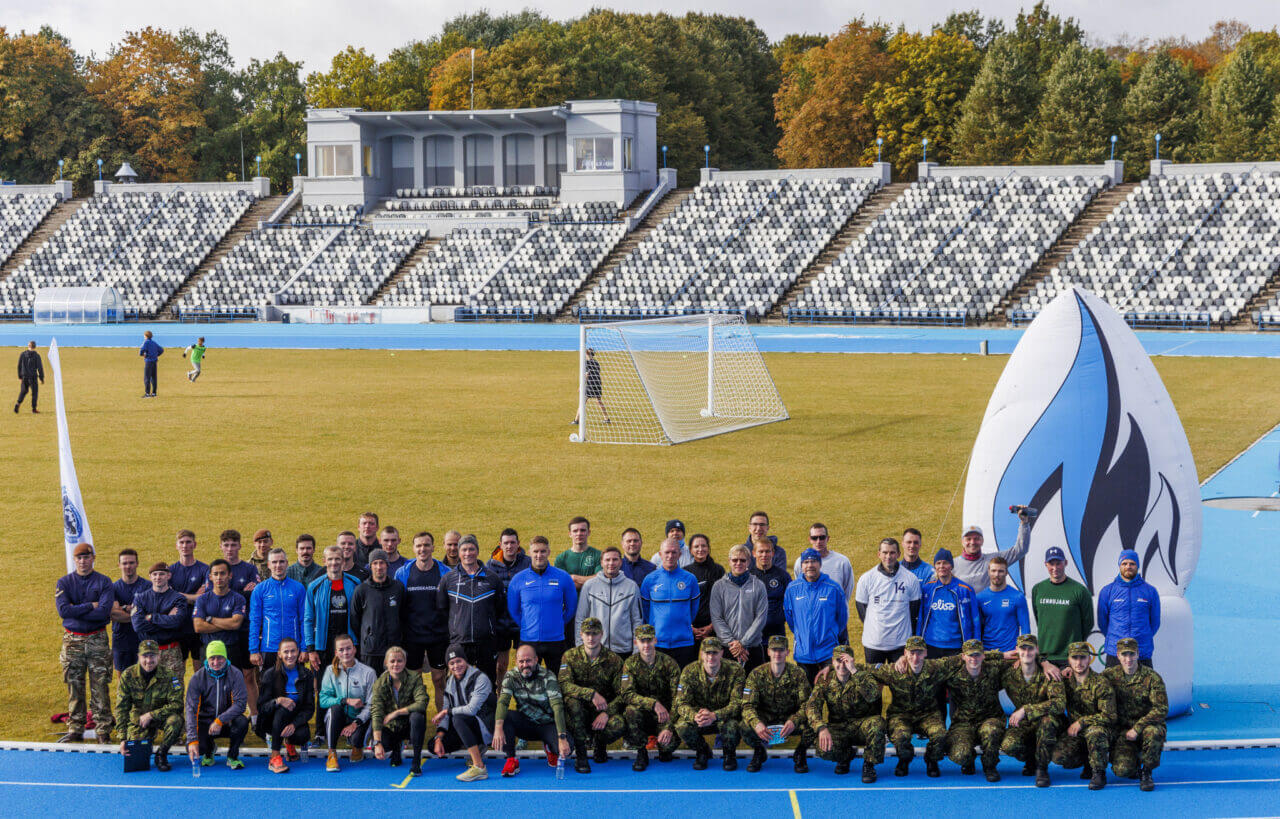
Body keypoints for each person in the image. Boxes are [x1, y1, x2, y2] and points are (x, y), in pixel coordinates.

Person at [55, 542, 115, 743]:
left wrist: (77, 609)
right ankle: (75, 728)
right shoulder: (64, 583)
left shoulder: (104, 582)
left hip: (97, 639)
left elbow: (103, 612)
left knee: (100, 685)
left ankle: (103, 729)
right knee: (74, 684)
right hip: (73, 640)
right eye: (79, 558)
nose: (83, 561)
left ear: (93, 558)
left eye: (86, 557)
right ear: (75, 560)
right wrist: (90, 605)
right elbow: (64, 611)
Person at [870, 636, 949, 777]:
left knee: (940, 734)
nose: (915, 657)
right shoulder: (894, 670)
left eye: (919, 653)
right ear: (905, 653)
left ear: (925, 652)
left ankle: (931, 760)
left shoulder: (935, 668)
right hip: (901, 715)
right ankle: (904, 759)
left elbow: (966, 657)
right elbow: (866, 669)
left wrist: (1001, 655)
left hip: (928, 714)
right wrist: (834, 668)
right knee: (901, 737)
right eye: (912, 653)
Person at [806, 645, 885, 782]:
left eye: (846, 661)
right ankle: (845, 756)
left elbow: (873, 695)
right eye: (838, 660)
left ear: (852, 661)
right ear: (832, 661)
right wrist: (821, 728)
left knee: (877, 724)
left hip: (863, 725)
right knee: (822, 747)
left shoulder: (863, 675)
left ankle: (869, 764)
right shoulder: (825, 679)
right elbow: (812, 706)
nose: (842, 665)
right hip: (839, 727)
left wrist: (854, 670)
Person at [492, 644, 571, 777]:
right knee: (506, 717)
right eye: (521, 661)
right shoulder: (511, 676)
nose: (525, 664)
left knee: (567, 749)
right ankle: (511, 759)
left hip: (547, 724)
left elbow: (557, 707)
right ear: (516, 661)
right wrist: (498, 727)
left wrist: (562, 738)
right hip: (526, 723)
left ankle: (550, 748)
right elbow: (503, 702)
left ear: (536, 660)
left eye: (528, 660)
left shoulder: (548, 676)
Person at [558, 617, 625, 772]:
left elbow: (623, 694)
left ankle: (600, 745)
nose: (590, 638)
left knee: (619, 724)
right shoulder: (570, 656)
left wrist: (607, 713)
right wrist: (591, 694)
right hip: (576, 713)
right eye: (587, 633)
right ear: (581, 634)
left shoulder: (614, 660)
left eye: (595, 633)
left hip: (600, 712)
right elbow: (563, 684)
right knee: (573, 704)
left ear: (602, 634)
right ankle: (581, 755)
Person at [1000, 633, 1065, 788]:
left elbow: (1059, 704)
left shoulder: (1049, 672)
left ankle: (1042, 769)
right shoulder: (1009, 674)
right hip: (1025, 724)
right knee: (1009, 745)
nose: (1026, 653)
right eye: (1023, 649)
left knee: (1047, 723)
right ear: (1017, 650)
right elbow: (980, 662)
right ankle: (1031, 759)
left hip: (1049, 722)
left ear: (1037, 650)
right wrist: (1001, 655)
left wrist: (1026, 710)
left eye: (1030, 649)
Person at [395, 531, 452, 709]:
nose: (423, 549)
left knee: (439, 680)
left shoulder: (445, 572)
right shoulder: (403, 573)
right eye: (419, 545)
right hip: (412, 637)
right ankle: (414, 723)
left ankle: (443, 723)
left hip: (438, 636)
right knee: (413, 681)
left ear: (433, 547)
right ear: (413, 548)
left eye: (426, 545)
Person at [1102, 637, 1167, 791]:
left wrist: (1138, 728)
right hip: (1123, 732)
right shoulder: (1108, 676)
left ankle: (1146, 772)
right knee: (1123, 771)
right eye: (1124, 655)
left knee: (1154, 732)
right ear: (1118, 656)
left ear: (1138, 654)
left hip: (1145, 727)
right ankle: (1134, 762)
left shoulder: (1152, 677)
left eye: (1132, 654)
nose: (1128, 659)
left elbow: (1161, 708)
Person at [437, 535, 503, 685]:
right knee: (458, 685)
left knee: (487, 684)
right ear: (459, 553)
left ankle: (487, 710)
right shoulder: (448, 579)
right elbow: (442, 610)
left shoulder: (492, 579)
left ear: (477, 551)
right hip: (459, 643)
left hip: (485, 642)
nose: (468, 553)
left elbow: (499, 608)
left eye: (471, 549)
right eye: (464, 549)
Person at [941, 639, 1011, 781]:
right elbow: (932, 665)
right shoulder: (953, 674)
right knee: (960, 754)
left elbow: (1027, 659)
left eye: (978, 655)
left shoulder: (993, 669)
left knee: (991, 730)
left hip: (990, 718)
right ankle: (969, 759)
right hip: (963, 723)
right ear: (963, 656)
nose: (974, 659)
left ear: (983, 655)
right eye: (970, 655)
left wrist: (1046, 663)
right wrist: (904, 660)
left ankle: (989, 766)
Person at [741, 634, 812, 773]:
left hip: (789, 720)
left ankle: (800, 753)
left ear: (787, 652)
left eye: (781, 650)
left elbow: (808, 705)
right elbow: (747, 706)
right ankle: (759, 752)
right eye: (774, 650)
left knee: (814, 724)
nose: (777, 653)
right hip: (765, 719)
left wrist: (794, 721)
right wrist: (757, 723)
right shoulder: (756, 674)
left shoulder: (798, 674)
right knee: (744, 726)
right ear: (768, 652)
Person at [1053, 641, 1117, 790]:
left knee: (1095, 732)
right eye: (1075, 658)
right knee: (1058, 756)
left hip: (1100, 731)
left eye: (1083, 657)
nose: (1079, 662)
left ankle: (1098, 772)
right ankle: (1088, 761)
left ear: (1089, 658)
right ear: (1069, 660)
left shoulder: (1101, 683)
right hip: (1077, 734)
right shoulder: (1065, 682)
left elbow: (1110, 716)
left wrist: (1082, 722)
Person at [674, 637, 745, 770]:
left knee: (734, 726)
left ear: (721, 653)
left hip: (723, 717)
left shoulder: (735, 670)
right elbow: (681, 703)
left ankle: (729, 754)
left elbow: (737, 704)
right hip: (699, 718)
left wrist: (714, 715)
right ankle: (702, 751)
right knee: (682, 726)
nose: (711, 657)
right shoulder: (689, 671)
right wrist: (695, 716)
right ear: (701, 654)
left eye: (714, 653)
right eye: (707, 653)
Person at [508, 536, 577, 672]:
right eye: (535, 552)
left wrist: (558, 623)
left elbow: (571, 607)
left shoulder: (563, 577)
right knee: (529, 684)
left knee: (559, 682)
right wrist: (527, 625)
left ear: (549, 552)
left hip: (556, 640)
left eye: (543, 551)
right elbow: (513, 610)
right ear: (529, 552)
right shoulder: (518, 579)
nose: (539, 555)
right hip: (529, 640)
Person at [114, 640, 184, 771]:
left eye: (152, 656)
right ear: (138, 656)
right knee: (137, 764)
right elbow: (121, 708)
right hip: (138, 720)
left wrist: (152, 715)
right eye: (145, 656)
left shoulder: (169, 676)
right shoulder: (128, 675)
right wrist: (122, 738)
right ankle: (146, 740)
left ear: (159, 656)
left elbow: (177, 704)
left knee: (176, 721)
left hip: (160, 718)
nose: (148, 660)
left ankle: (161, 754)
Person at [619, 624, 682, 770]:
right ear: (636, 642)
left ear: (655, 640)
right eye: (642, 641)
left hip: (665, 716)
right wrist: (653, 704)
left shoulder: (669, 663)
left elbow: (678, 698)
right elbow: (627, 694)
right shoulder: (630, 664)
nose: (646, 645)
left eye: (649, 640)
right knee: (630, 711)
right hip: (643, 715)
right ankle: (641, 752)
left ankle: (663, 746)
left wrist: (669, 727)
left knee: (667, 751)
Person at [432, 645, 496, 782]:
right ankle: (472, 746)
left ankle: (479, 766)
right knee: (433, 745)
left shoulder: (480, 678)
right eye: (452, 663)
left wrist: (447, 711)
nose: (456, 666)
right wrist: (439, 738)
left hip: (484, 726)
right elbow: (445, 709)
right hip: (465, 725)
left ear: (466, 660)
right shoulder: (450, 682)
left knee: (458, 718)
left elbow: (471, 709)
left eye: (459, 661)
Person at [783, 548, 848, 682]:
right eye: (806, 562)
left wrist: (831, 634)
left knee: (832, 694)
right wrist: (802, 634)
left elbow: (841, 619)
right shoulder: (792, 589)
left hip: (828, 653)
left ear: (820, 564)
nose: (810, 565)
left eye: (813, 561)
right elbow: (790, 618)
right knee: (807, 696)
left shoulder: (833, 588)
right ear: (801, 566)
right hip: (803, 653)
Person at [854, 537, 922, 664]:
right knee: (874, 683)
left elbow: (914, 611)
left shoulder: (911, 579)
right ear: (879, 554)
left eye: (892, 552)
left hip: (900, 644)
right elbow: (861, 609)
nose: (888, 556)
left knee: (899, 683)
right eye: (885, 552)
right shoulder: (867, 578)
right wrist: (875, 627)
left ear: (898, 554)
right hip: (873, 644)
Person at [184, 640, 249, 769]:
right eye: (212, 658)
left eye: (220, 658)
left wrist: (220, 720)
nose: (216, 662)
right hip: (206, 721)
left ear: (225, 657)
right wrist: (192, 740)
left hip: (227, 721)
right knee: (195, 747)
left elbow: (240, 704)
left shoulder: (235, 674)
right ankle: (209, 751)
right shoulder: (197, 678)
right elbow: (191, 710)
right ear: (207, 659)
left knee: (242, 722)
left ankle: (232, 756)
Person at [318, 633, 377, 772]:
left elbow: (372, 704)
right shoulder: (329, 671)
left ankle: (357, 746)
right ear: (336, 652)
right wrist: (345, 700)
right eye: (341, 649)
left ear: (355, 649)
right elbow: (323, 700)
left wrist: (355, 723)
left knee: (356, 740)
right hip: (339, 717)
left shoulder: (368, 672)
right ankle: (332, 754)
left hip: (358, 719)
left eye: (348, 648)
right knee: (335, 709)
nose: (346, 652)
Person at [255, 638, 314, 773]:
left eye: (293, 651)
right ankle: (274, 756)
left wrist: (294, 724)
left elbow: (309, 708)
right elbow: (261, 707)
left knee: (303, 735)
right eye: (286, 652)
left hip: (293, 719)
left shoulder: (307, 675)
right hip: (271, 720)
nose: (290, 655)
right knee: (282, 710)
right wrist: (278, 700)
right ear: (279, 654)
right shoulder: (270, 674)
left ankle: (289, 744)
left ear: (298, 652)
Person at [639, 538, 700, 668]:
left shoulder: (690, 579)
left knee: (682, 684)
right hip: (658, 643)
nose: (670, 556)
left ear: (680, 554)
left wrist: (683, 623)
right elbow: (645, 610)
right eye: (667, 552)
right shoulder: (650, 580)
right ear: (660, 554)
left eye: (674, 552)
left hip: (684, 643)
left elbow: (693, 609)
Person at [370, 645, 430, 775]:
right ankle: (396, 748)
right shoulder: (379, 683)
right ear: (386, 663)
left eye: (399, 661)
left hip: (409, 724)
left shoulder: (415, 677)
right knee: (380, 745)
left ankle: (416, 760)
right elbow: (376, 711)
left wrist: (396, 712)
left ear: (405, 662)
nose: (396, 664)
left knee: (417, 716)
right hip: (391, 726)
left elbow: (422, 702)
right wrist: (377, 742)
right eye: (392, 661)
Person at [576, 545, 643, 659]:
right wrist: (580, 647)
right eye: (607, 560)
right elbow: (580, 618)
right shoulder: (589, 586)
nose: (611, 563)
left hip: (624, 650)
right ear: (601, 563)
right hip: (595, 649)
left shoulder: (631, 586)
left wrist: (637, 650)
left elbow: (637, 620)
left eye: (615, 559)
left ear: (621, 562)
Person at [1031, 547, 1094, 668]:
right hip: (1045, 658)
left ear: (1065, 563)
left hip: (1071, 657)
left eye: (1058, 563)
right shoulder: (1038, 589)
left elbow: (1088, 623)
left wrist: (1073, 645)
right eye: (1051, 564)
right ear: (1046, 564)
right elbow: (1039, 619)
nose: (1055, 568)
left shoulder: (1080, 590)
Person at [1097, 550, 1161, 667]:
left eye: (1132, 563)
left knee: (1144, 686)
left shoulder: (1150, 591)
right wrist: (1116, 638)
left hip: (1142, 652)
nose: (1128, 567)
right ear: (1119, 565)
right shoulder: (1107, 591)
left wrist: (1142, 637)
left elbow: (1155, 622)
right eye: (1124, 563)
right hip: (1115, 652)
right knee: (1112, 685)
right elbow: (1103, 623)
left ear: (1137, 566)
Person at [248, 548, 306, 675]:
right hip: (269, 648)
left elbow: (304, 620)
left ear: (287, 563)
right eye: (274, 562)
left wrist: (304, 647)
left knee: (295, 687)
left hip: (293, 649)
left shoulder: (298, 588)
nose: (278, 565)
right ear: (268, 565)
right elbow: (255, 621)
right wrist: (253, 650)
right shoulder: (260, 589)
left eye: (281, 562)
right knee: (269, 689)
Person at [710, 544, 768, 670]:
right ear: (729, 561)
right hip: (727, 649)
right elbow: (716, 617)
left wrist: (743, 643)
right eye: (735, 560)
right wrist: (734, 644)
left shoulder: (758, 585)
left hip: (752, 648)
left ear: (749, 562)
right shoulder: (719, 586)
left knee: (754, 689)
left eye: (743, 560)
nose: (738, 563)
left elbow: (761, 617)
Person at [350, 549, 407, 675]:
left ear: (387, 565)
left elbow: (404, 615)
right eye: (375, 563)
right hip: (371, 650)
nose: (379, 567)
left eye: (382, 563)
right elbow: (355, 618)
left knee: (393, 688)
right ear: (370, 566)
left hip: (394, 649)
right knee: (371, 688)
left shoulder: (398, 588)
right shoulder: (361, 590)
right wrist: (367, 637)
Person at [917, 548, 980, 658]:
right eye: (938, 563)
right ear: (935, 566)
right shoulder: (927, 588)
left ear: (951, 566)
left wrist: (975, 646)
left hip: (956, 647)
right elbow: (921, 618)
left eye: (945, 563)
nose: (941, 566)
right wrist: (918, 642)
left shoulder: (965, 590)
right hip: (931, 645)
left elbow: (975, 621)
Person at [193, 560, 248, 683]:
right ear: (210, 577)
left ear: (230, 575)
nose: (219, 577)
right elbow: (198, 626)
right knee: (208, 687)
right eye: (216, 574)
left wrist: (211, 619)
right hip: (208, 649)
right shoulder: (202, 599)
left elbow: (236, 624)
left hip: (230, 649)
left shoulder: (238, 599)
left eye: (222, 573)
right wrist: (226, 624)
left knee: (233, 687)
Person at [486, 528, 529, 680]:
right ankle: (500, 697)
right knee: (501, 665)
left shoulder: (528, 563)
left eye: (512, 542)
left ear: (518, 544)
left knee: (524, 664)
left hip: (522, 623)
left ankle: (521, 697)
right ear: (500, 544)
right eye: (506, 543)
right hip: (500, 624)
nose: (509, 546)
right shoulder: (490, 566)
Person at [132, 562, 188, 677]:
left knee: (174, 691)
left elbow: (177, 622)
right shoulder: (140, 599)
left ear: (168, 576)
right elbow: (138, 625)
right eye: (155, 574)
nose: (158, 577)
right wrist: (167, 618)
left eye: (162, 574)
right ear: (150, 576)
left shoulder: (178, 599)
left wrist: (151, 617)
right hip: (147, 654)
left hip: (171, 653)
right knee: (148, 691)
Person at [954, 512, 1033, 593]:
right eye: (968, 539)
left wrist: (1024, 523)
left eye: (976, 539)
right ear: (962, 542)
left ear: (982, 541)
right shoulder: (952, 565)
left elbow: (1020, 550)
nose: (972, 542)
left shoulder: (994, 560)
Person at [168, 529, 209, 675]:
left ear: (195, 544)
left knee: (200, 672)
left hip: (198, 627)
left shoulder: (205, 569)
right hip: (178, 627)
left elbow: (205, 599)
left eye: (188, 542)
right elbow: (169, 599)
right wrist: (193, 597)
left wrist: (179, 596)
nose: (185, 545)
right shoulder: (170, 571)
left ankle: (199, 699)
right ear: (177, 545)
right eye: (182, 542)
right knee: (176, 672)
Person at [976, 556, 1031, 652]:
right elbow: (977, 628)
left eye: (1000, 571)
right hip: (988, 653)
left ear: (1006, 572)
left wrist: (1022, 653)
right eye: (993, 571)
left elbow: (1025, 628)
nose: (997, 574)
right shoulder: (980, 598)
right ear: (988, 571)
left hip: (1011, 652)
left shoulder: (1017, 597)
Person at [791, 523, 854, 602]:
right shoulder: (800, 562)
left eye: (822, 537)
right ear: (809, 540)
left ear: (827, 538)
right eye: (814, 538)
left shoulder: (842, 562)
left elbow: (847, 590)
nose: (818, 541)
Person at [110, 548, 148, 677]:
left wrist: (123, 608)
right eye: (125, 563)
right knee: (123, 680)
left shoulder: (147, 586)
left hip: (143, 639)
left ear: (137, 563)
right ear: (119, 565)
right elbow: (114, 614)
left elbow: (152, 611)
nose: (128, 566)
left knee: (144, 678)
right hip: (121, 640)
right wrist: (138, 614)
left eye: (131, 563)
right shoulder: (113, 588)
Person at [686, 533, 725, 649]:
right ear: (691, 550)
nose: (700, 549)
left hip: (714, 628)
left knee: (714, 663)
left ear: (708, 548)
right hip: (690, 630)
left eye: (703, 546)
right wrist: (691, 627)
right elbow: (682, 603)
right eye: (696, 547)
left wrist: (711, 627)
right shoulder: (685, 572)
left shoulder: (718, 570)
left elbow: (724, 601)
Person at [750, 536, 791, 641]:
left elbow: (791, 603)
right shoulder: (747, 577)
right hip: (752, 635)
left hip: (777, 633)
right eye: (761, 551)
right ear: (754, 553)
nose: (764, 555)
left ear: (773, 553)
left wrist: (781, 618)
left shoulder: (783, 576)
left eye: (767, 551)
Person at [556, 516, 602, 596]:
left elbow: (600, 580)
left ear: (589, 532)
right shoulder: (561, 558)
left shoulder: (599, 555)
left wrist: (574, 577)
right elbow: (562, 585)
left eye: (582, 530)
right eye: (575, 531)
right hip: (570, 605)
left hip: (593, 604)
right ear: (570, 534)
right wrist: (591, 580)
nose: (579, 533)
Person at [571, 346, 611, 425]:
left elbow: (587, 375)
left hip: (590, 384)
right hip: (597, 383)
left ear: (587, 354)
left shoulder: (586, 363)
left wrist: (581, 386)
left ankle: (576, 420)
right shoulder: (596, 362)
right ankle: (606, 419)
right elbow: (598, 373)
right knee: (599, 401)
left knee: (583, 402)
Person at [15, 340, 42, 413]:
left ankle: (18, 404)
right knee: (34, 393)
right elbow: (40, 367)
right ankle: (34, 409)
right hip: (33, 377)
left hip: (24, 377)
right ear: (35, 347)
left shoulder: (22, 354)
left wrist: (20, 376)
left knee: (23, 391)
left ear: (28, 346)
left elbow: (19, 366)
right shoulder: (37, 356)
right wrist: (41, 378)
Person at [139, 330, 163, 398]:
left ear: (146, 336)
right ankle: (154, 393)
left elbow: (141, 351)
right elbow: (161, 350)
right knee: (154, 378)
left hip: (148, 361)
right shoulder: (154, 342)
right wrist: (156, 355)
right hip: (154, 361)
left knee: (147, 378)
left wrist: (143, 354)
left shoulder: (146, 342)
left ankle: (147, 394)